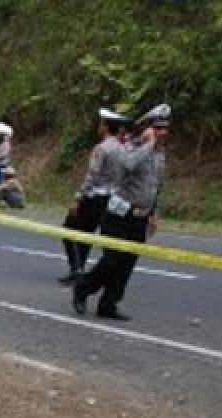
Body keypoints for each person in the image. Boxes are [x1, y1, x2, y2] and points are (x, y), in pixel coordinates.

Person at [73, 104, 171, 321]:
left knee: (127, 263)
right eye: (158, 128)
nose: (163, 133)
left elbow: (155, 185)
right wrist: (149, 143)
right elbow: (127, 165)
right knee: (112, 259)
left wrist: (154, 213)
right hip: (119, 215)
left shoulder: (159, 155)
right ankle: (82, 289)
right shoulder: (130, 147)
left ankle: (109, 303)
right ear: (147, 128)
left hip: (139, 217)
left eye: (165, 128)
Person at [59, 108, 128, 284]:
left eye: (101, 123)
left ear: (105, 127)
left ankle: (77, 269)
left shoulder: (101, 148)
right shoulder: (123, 149)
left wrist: (78, 197)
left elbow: (92, 176)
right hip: (111, 197)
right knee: (88, 233)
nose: (99, 126)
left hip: (94, 196)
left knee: (69, 229)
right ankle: (80, 269)